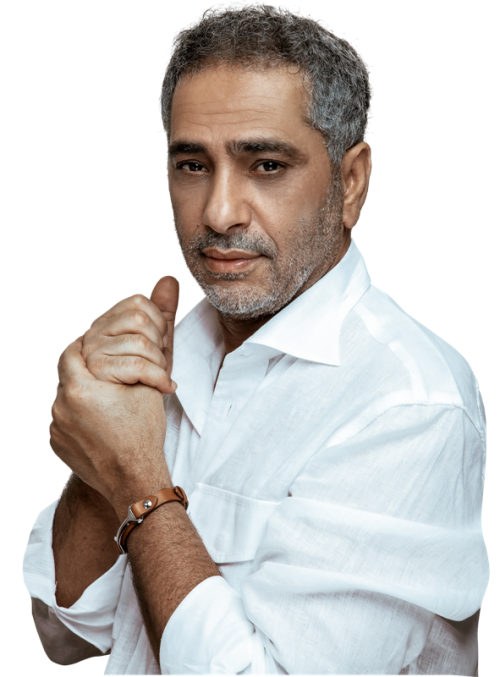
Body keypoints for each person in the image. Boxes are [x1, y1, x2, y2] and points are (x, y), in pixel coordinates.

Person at [22, 2, 488, 675]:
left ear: (351, 181)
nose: (218, 213)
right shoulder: (167, 357)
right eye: (192, 164)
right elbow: (67, 633)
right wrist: (104, 447)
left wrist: (135, 479)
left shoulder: (409, 404)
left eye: (266, 164)